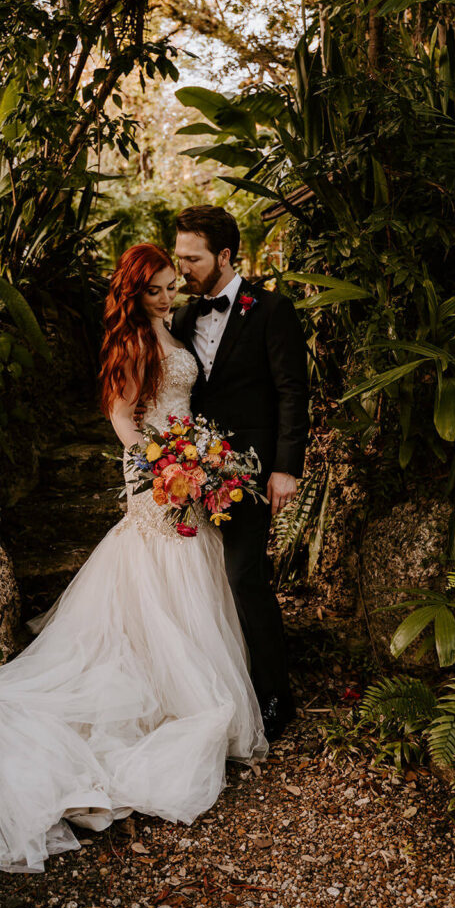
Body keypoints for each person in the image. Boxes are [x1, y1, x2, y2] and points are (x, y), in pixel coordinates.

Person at [0, 242, 267, 873]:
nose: (168, 297)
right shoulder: (130, 345)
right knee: (158, 566)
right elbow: (123, 418)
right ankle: (157, 692)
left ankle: (185, 679)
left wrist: (197, 458)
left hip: (187, 466)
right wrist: (163, 464)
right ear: (133, 292)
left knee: (193, 569)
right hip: (156, 472)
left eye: (171, 286)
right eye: (155, 289)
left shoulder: (169, 330)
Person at [171, 206, 310, 741]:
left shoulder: (273, 311)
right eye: (179, 256)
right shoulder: (182, 317)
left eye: (193, 258)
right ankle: (212, 687)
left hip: (251, 472)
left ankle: (275, 693)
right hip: (189, 474)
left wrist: (285, 468)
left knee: (244, 576)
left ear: (224, 256)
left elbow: (291, 393)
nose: (182, 267)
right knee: (201, 580)